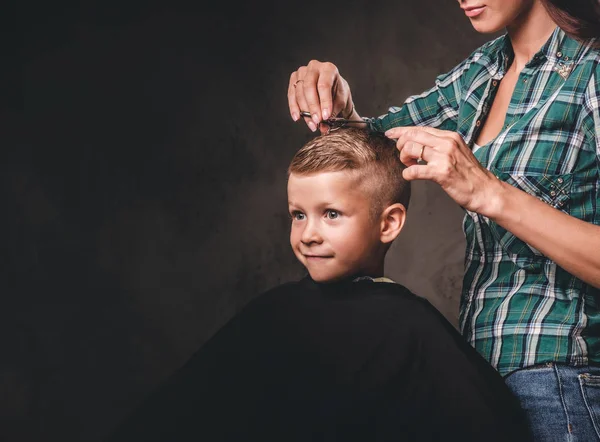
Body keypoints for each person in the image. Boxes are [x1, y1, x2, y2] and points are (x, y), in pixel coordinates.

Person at [287, 0, 600, 440]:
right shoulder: (481, 71)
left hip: (561, 389)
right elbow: (368, 155)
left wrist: (489, 193)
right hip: (479, 386)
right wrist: (335, 104)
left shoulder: (593, 70)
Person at [106, 128, 530, 442]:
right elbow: (180, 410)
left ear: (389, 223)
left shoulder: (411, 329)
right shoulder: (274, 313)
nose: (308, 234)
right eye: (298, 215)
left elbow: (490, 425)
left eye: (330, 214)